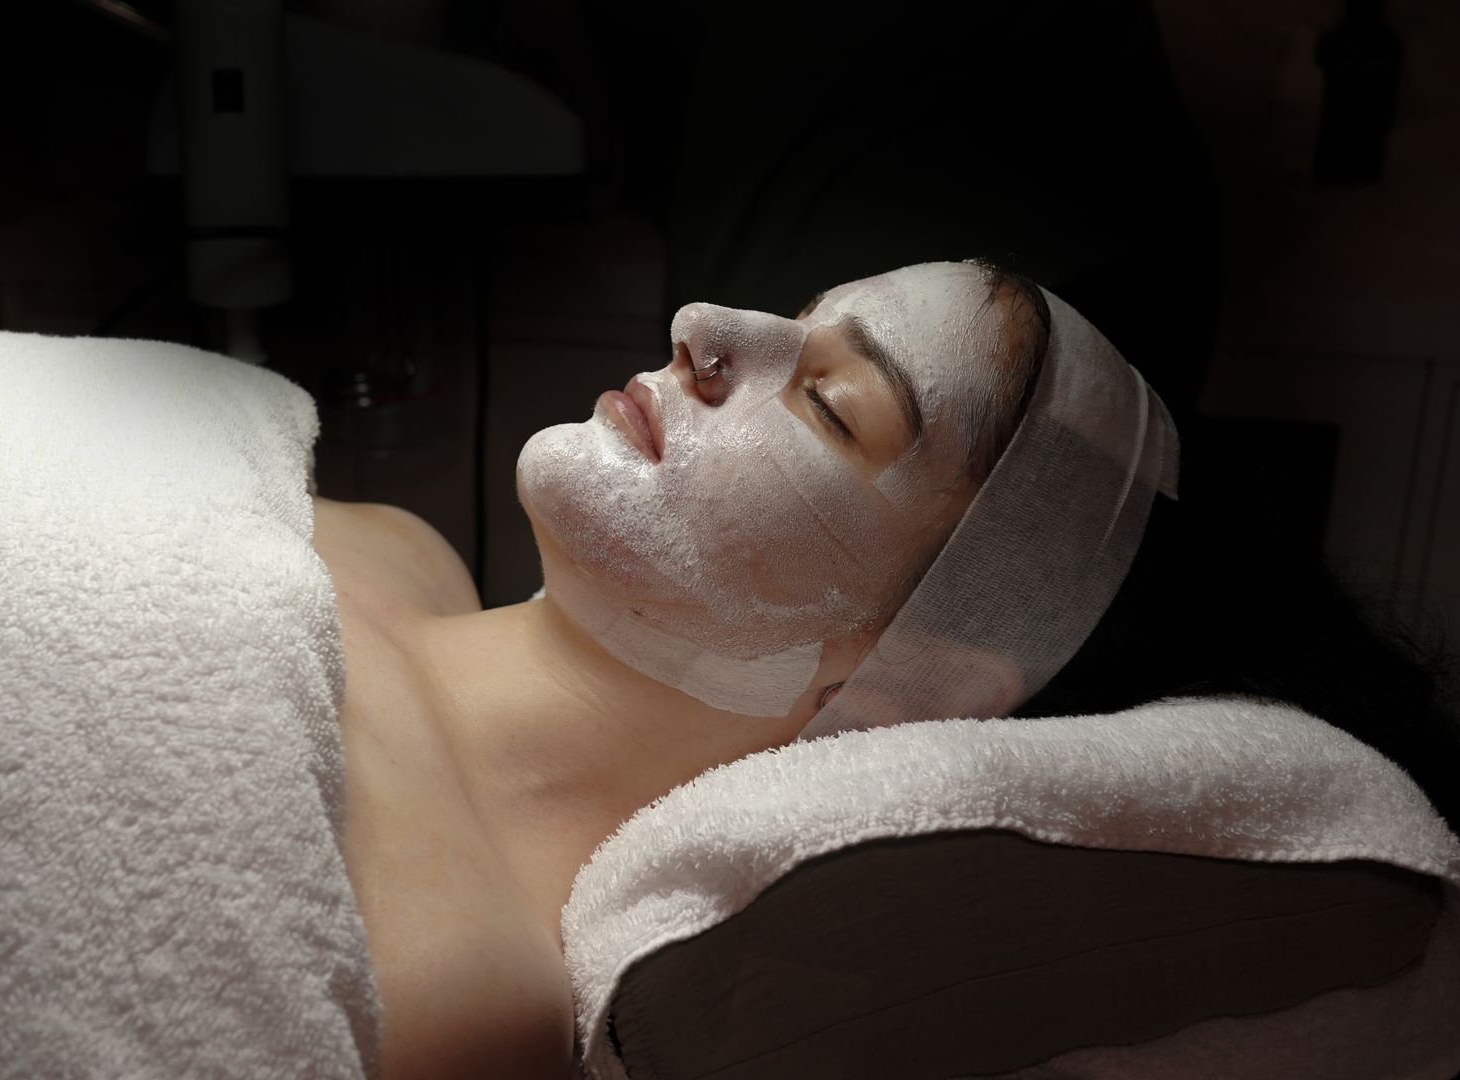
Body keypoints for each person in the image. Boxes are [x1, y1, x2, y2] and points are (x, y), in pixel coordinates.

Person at [317, 259, 1154, 1076]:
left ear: (910, 686)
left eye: (830, 403)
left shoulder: (454, 994)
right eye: (796, 316)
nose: (701, 327)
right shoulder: (396, 544)